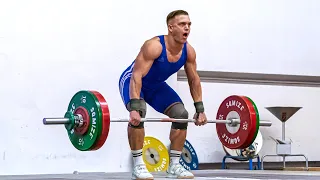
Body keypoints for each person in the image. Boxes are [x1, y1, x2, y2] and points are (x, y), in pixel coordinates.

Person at [118, 9, 208, 179]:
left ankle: (174, 165)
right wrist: (134, 108)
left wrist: (200, 108)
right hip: (132, 81)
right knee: (140, 113)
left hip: (156, 86)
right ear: (171, 27)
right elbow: (136, 76)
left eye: (189, 24)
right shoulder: (154, 46)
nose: (187, 28)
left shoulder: (189, 52)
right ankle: (138, 166)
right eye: (182, 24)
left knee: (181, 114)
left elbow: (194, 80)